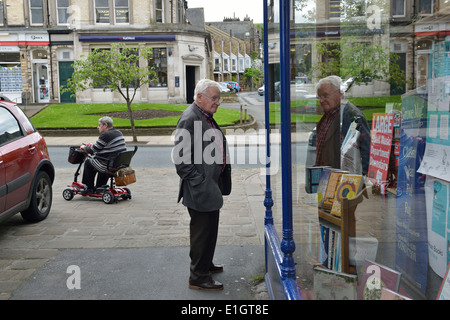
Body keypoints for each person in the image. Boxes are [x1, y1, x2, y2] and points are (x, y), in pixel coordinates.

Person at [173, 79, 231, 291]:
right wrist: (200, 180)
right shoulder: (189, 119)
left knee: (210, 230)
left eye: (219, 98)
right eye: (214, 98)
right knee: (201, 234)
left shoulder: (206, 116)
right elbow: (181, 161)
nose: (218, 102)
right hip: (200, 189)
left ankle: (206, 264)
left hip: (210, 187)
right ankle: (198, 277)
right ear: (199, 97)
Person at [315, 75, 371, 175]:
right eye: (319, 97)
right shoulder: (329, 115)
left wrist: (360, 181)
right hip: (328, 179)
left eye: (325, 96)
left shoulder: (351, 115)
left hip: (344, 182)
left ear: (340, 93)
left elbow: (365, 151)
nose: (321, 101)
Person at [80, 116, 127, 193]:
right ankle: (100, 186)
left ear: (105, 125)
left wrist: (84, 147)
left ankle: (88, 188)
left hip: (109, 164)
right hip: (118, 164)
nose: (97, 127)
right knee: (98, 162)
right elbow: (105, 146)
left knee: (88, 162)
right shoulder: (118, 132)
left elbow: (93, 149)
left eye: (99, 125)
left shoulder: (106, 135)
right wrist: (93, 146)